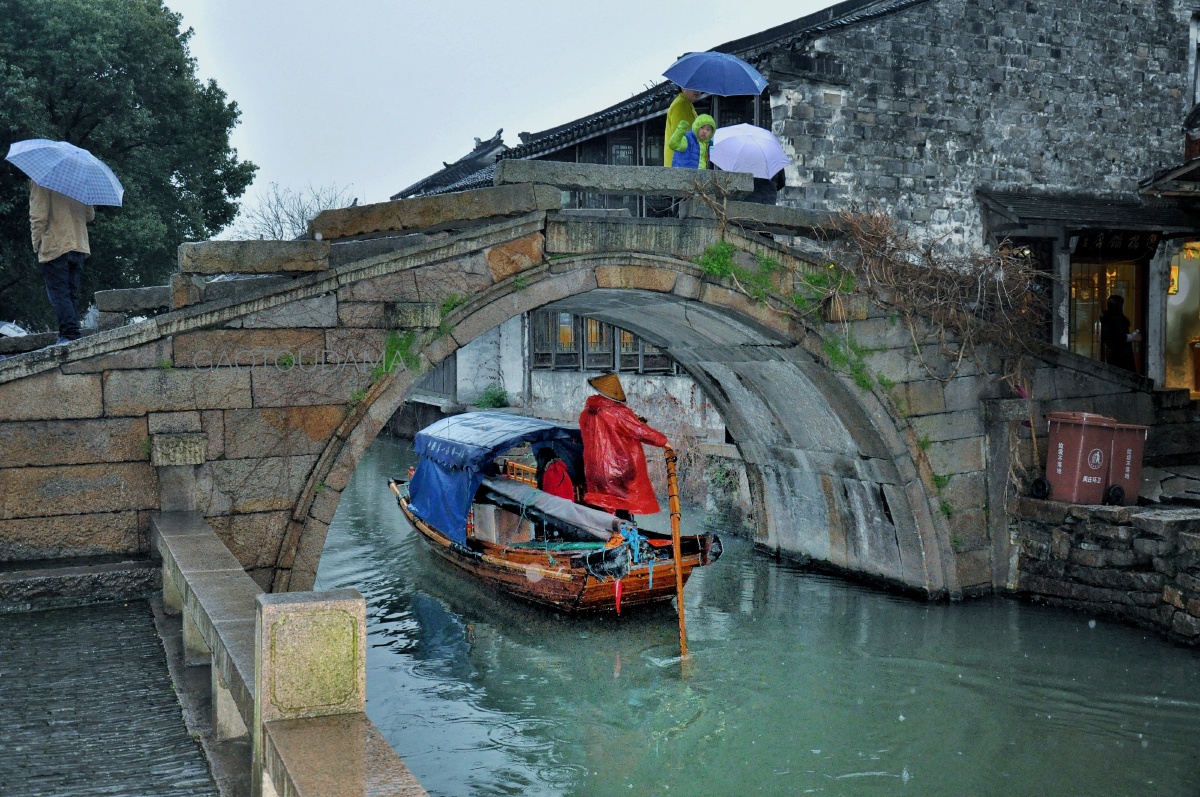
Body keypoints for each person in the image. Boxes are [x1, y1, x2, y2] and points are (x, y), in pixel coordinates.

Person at [578, 372, 668, 518]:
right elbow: (640, 431)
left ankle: (605, 530)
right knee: (621, 505)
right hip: (618, 468)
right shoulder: (618, 412)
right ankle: (625, 532)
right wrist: (664, 441)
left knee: (602, 504)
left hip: (594, 469)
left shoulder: (587, 413)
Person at [29, 181, 94, 344]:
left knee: (59, 293)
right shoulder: (79, 181)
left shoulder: (42, 180)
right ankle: (71, 332)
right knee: (70, 292)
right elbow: (89, 215)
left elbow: (38, 215)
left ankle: (69, 334)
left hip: (56, 243)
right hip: (78, 244)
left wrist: (36, 242)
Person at [1099, 294, 1139, 373]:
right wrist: (1132, 337)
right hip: (1121, 355)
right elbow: (1119, 337)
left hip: (1111, 353)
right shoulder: (1117, 318)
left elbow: (1105, 337)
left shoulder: (1106, 318)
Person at [663, 87, 701, 167]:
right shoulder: (680, 105)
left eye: (699, 87)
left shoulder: (687, 104)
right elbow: (679, 137)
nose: (697, 90)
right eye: (693, 86)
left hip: (685, 160)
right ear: (682, 87)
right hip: (679, 162)